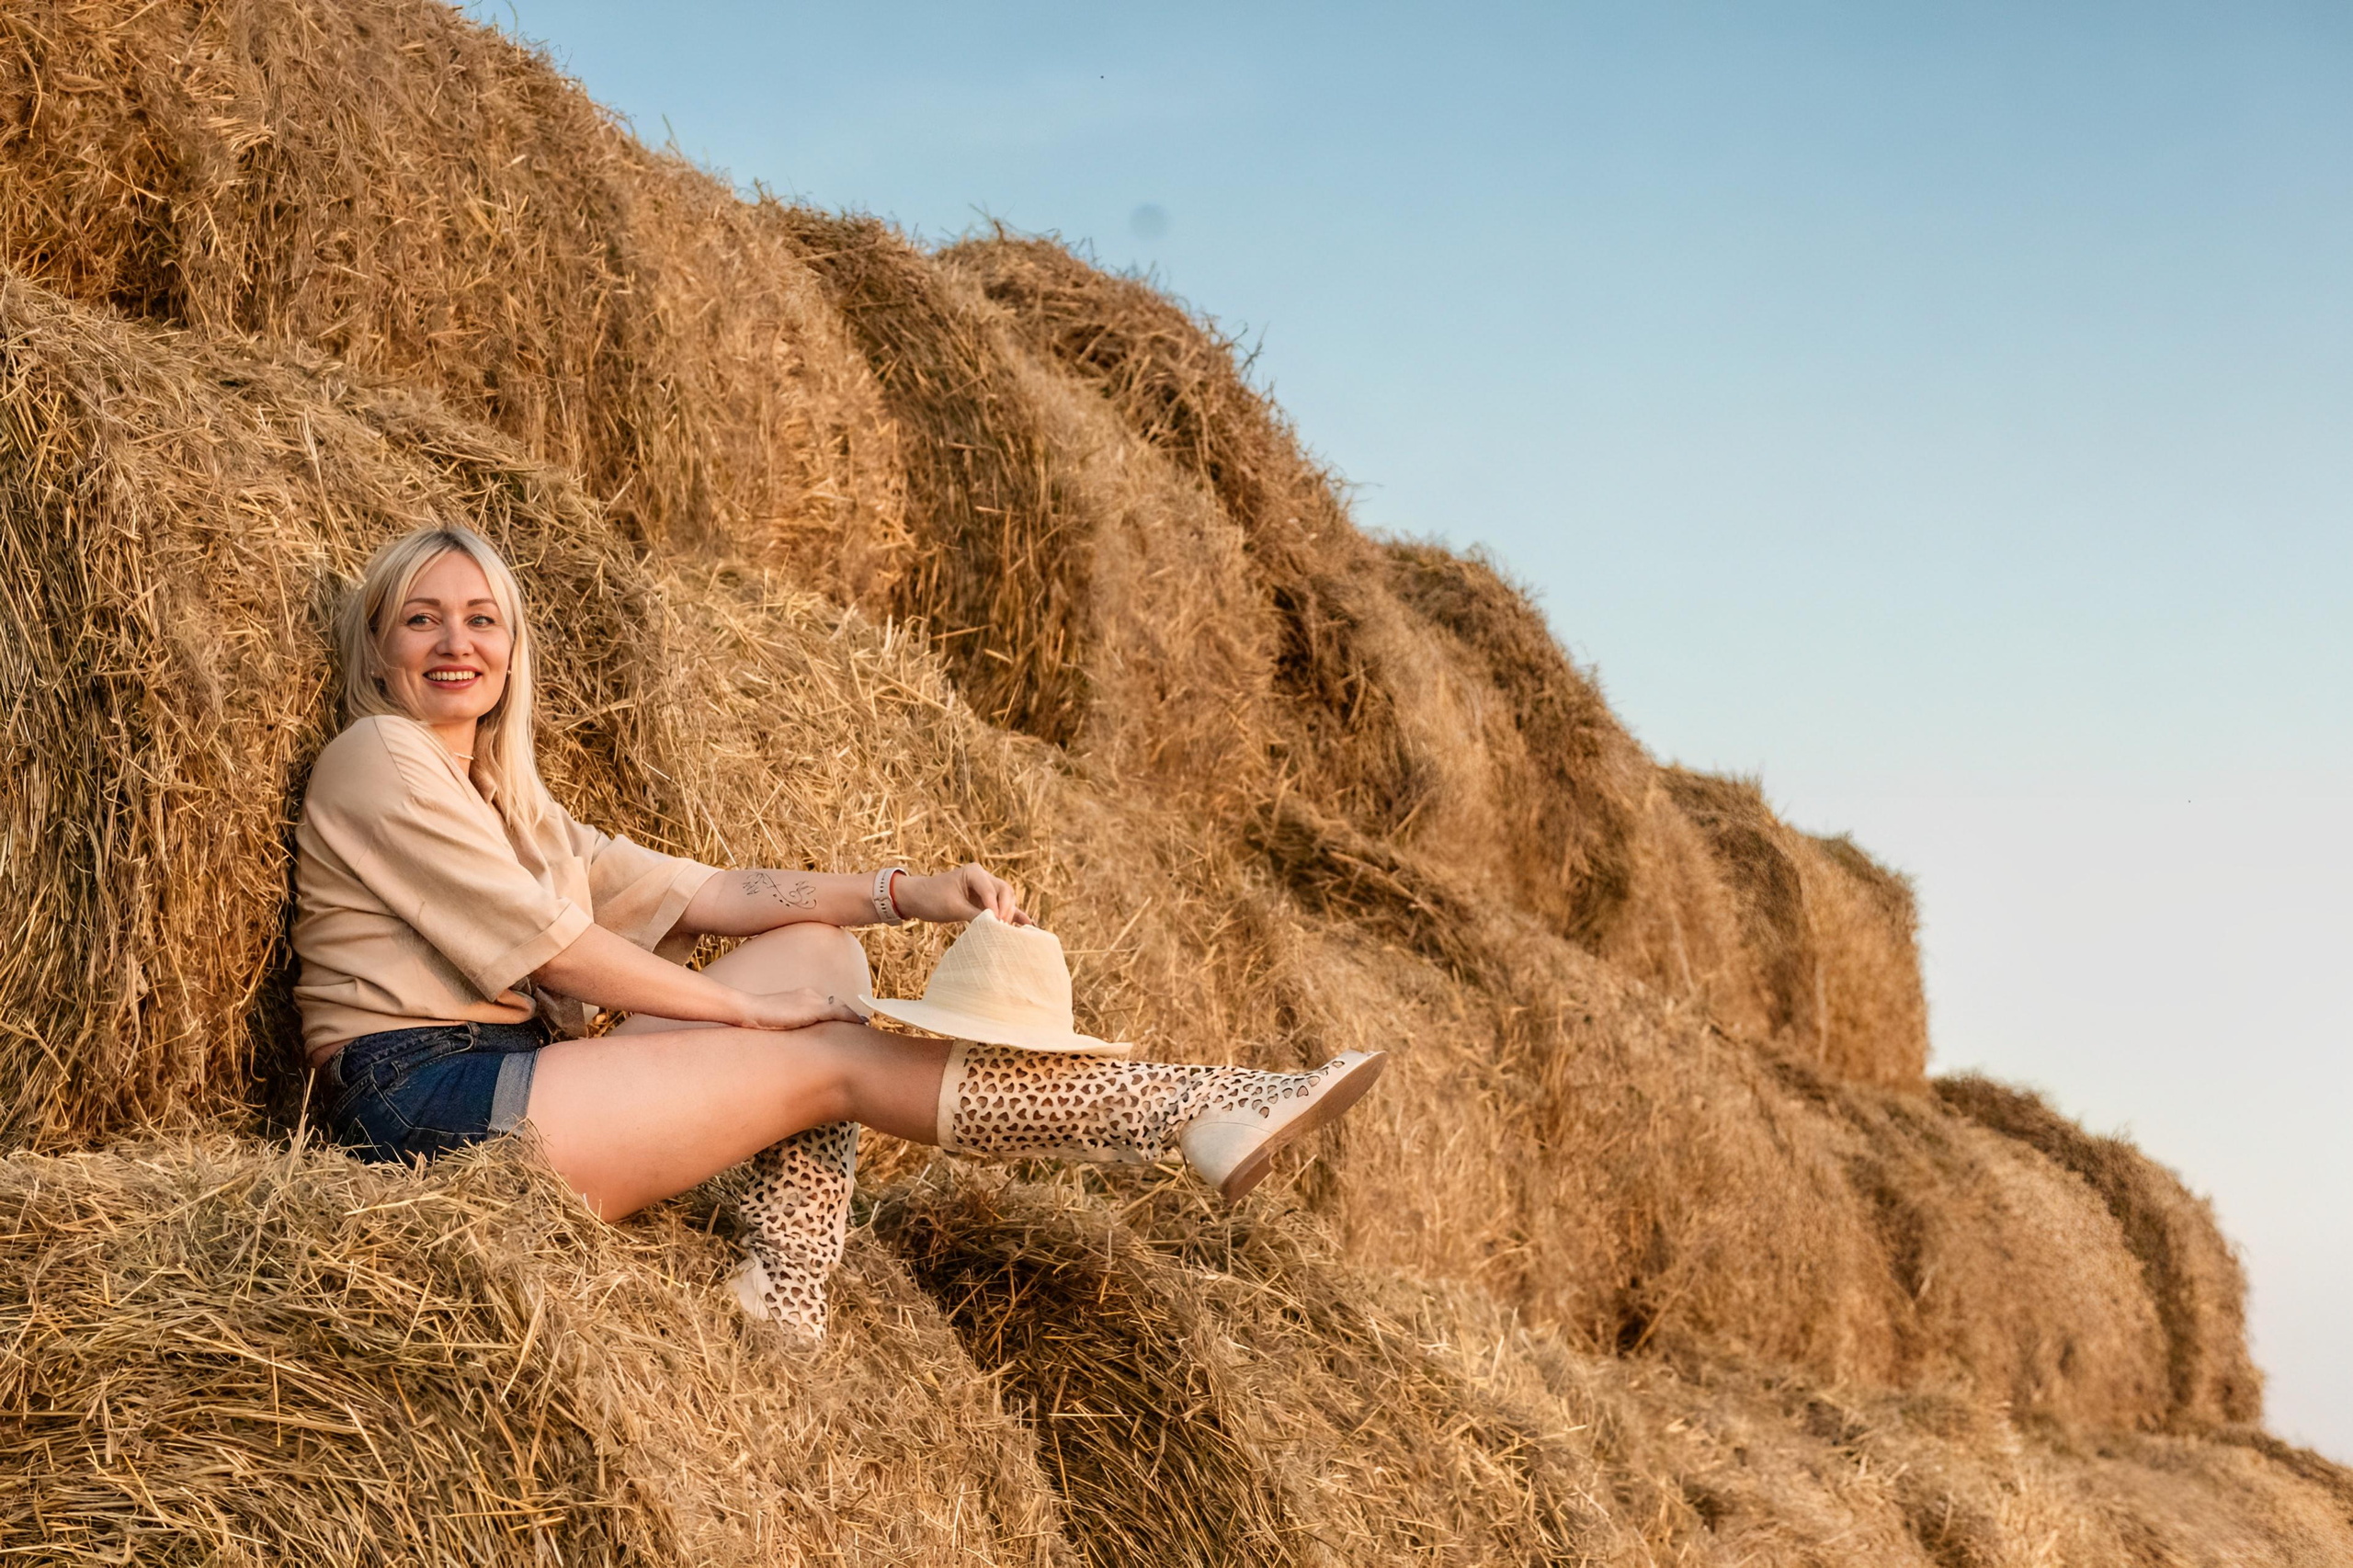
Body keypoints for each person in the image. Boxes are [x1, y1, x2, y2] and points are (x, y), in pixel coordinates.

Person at [293, 525, 1385, 1338]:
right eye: (421, 618)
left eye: (481, 618)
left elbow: (714, 891)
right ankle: (1193, 1105)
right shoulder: (379, 756)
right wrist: (743, 1010)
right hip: (419, 1106)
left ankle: (786, 1284)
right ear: (378, 648)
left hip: (513, 1080)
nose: (456, 641)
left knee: (825, 956)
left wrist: (909, 890)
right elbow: (560, 953)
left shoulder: (515, 808)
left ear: (512, 648)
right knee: (828, 1052)